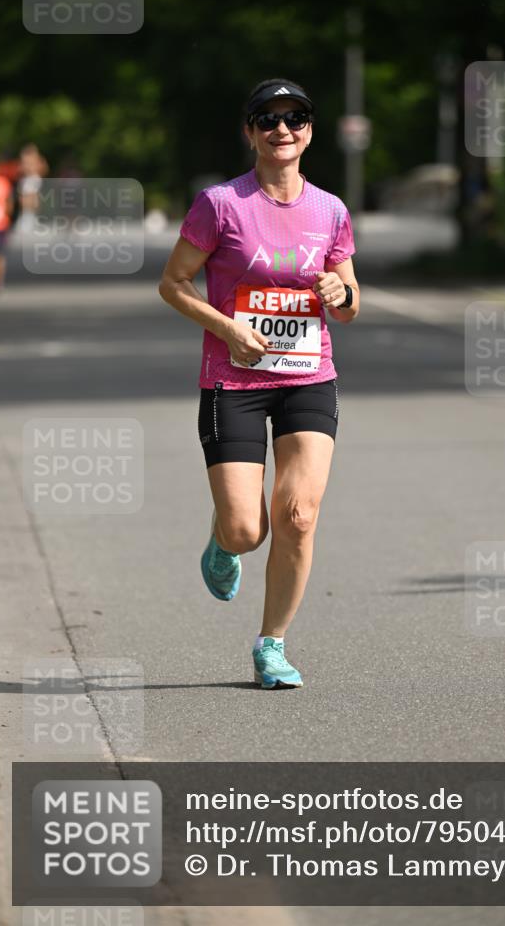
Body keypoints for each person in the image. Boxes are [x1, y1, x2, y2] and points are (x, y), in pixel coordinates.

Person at [159, 78, 360, 688]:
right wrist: (227, 330)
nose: (282, 129)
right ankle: (223, 541)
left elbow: (350, 303)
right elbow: (173, 284)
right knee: (249, 529)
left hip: (307, 377)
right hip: (233, 379)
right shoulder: (221, 204)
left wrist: (339, 291)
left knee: (298, 515)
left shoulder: (330, 210)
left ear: (309, 131)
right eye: (267, 119)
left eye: (294, 118)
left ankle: (271, 645)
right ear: (249, 132)